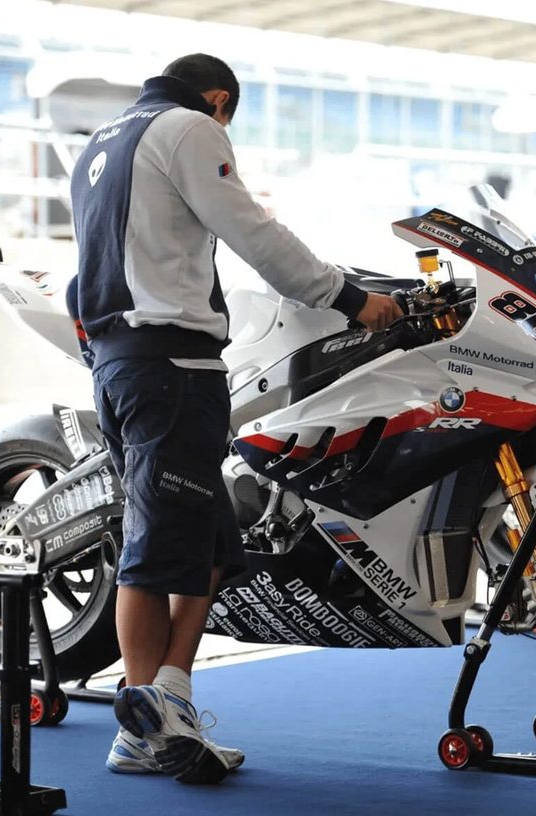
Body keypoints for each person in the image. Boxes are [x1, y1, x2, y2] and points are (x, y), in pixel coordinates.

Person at [69, 53, 401, 784]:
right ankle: (140, 725)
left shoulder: (103, 142)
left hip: (122, 365)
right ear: (219, 100)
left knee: (214, 544)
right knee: (156, 546)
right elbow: (255, 233)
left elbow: (83, 269)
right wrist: (351, 299)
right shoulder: (189, 128)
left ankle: (166, 703)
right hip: (172, 368)